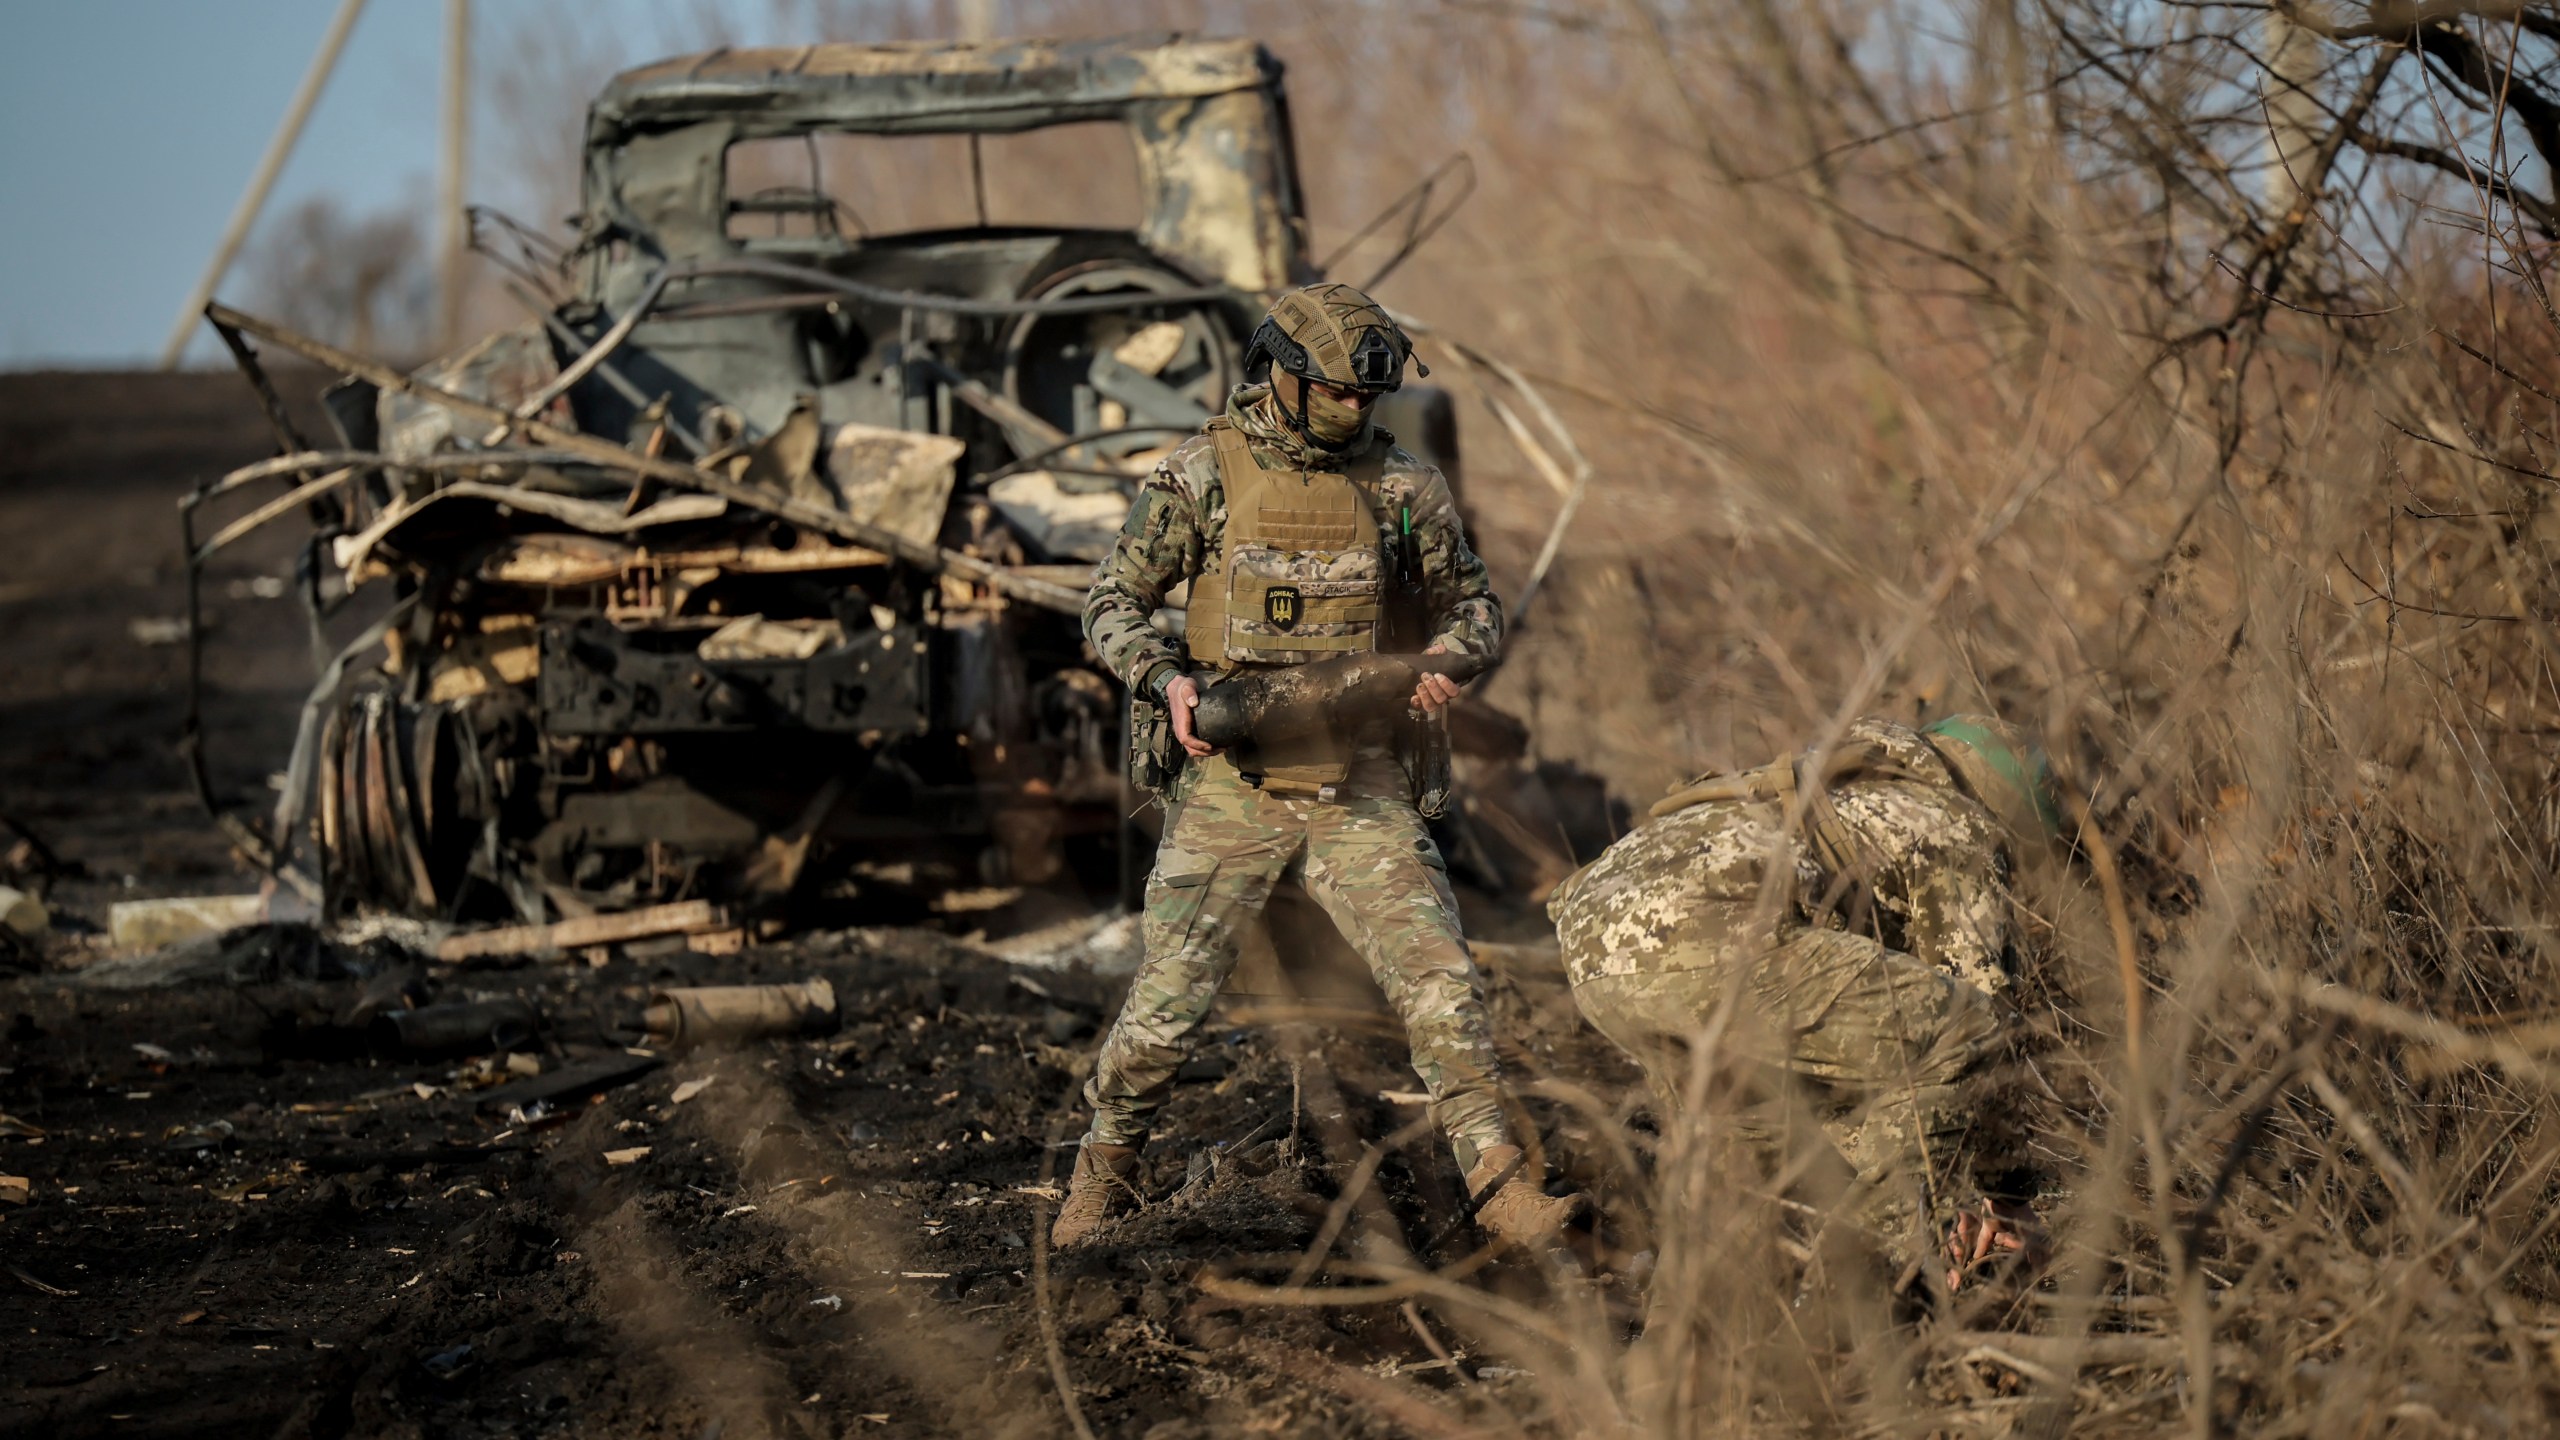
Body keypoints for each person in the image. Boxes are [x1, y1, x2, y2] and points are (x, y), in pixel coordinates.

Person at [1052, 282, 1576, 1250]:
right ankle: (1101, 1174)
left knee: (1442, 986)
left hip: (1357, 788)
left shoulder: (1402, 487)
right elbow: (1108, 604)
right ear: (1284, 380)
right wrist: (1164, 681)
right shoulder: (1202, 475)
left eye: (1365, 397)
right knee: (1162, 1020)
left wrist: (1444, 666)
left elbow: (1477, 610)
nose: (1354, 409)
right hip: (1230, 789)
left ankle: (1500, 1185)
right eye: (1335, 391)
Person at [1548, 715, 2058, 1293]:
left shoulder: (1834, 790)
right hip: (1708, 937)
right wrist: (2007, 1193)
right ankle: (1866, 1295)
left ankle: (1683, 1350)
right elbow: (1984, 1020)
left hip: (1594, 954)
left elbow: (1866, 1059)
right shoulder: (1954, 821)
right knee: (1964, 1027)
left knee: (1739, 1158)